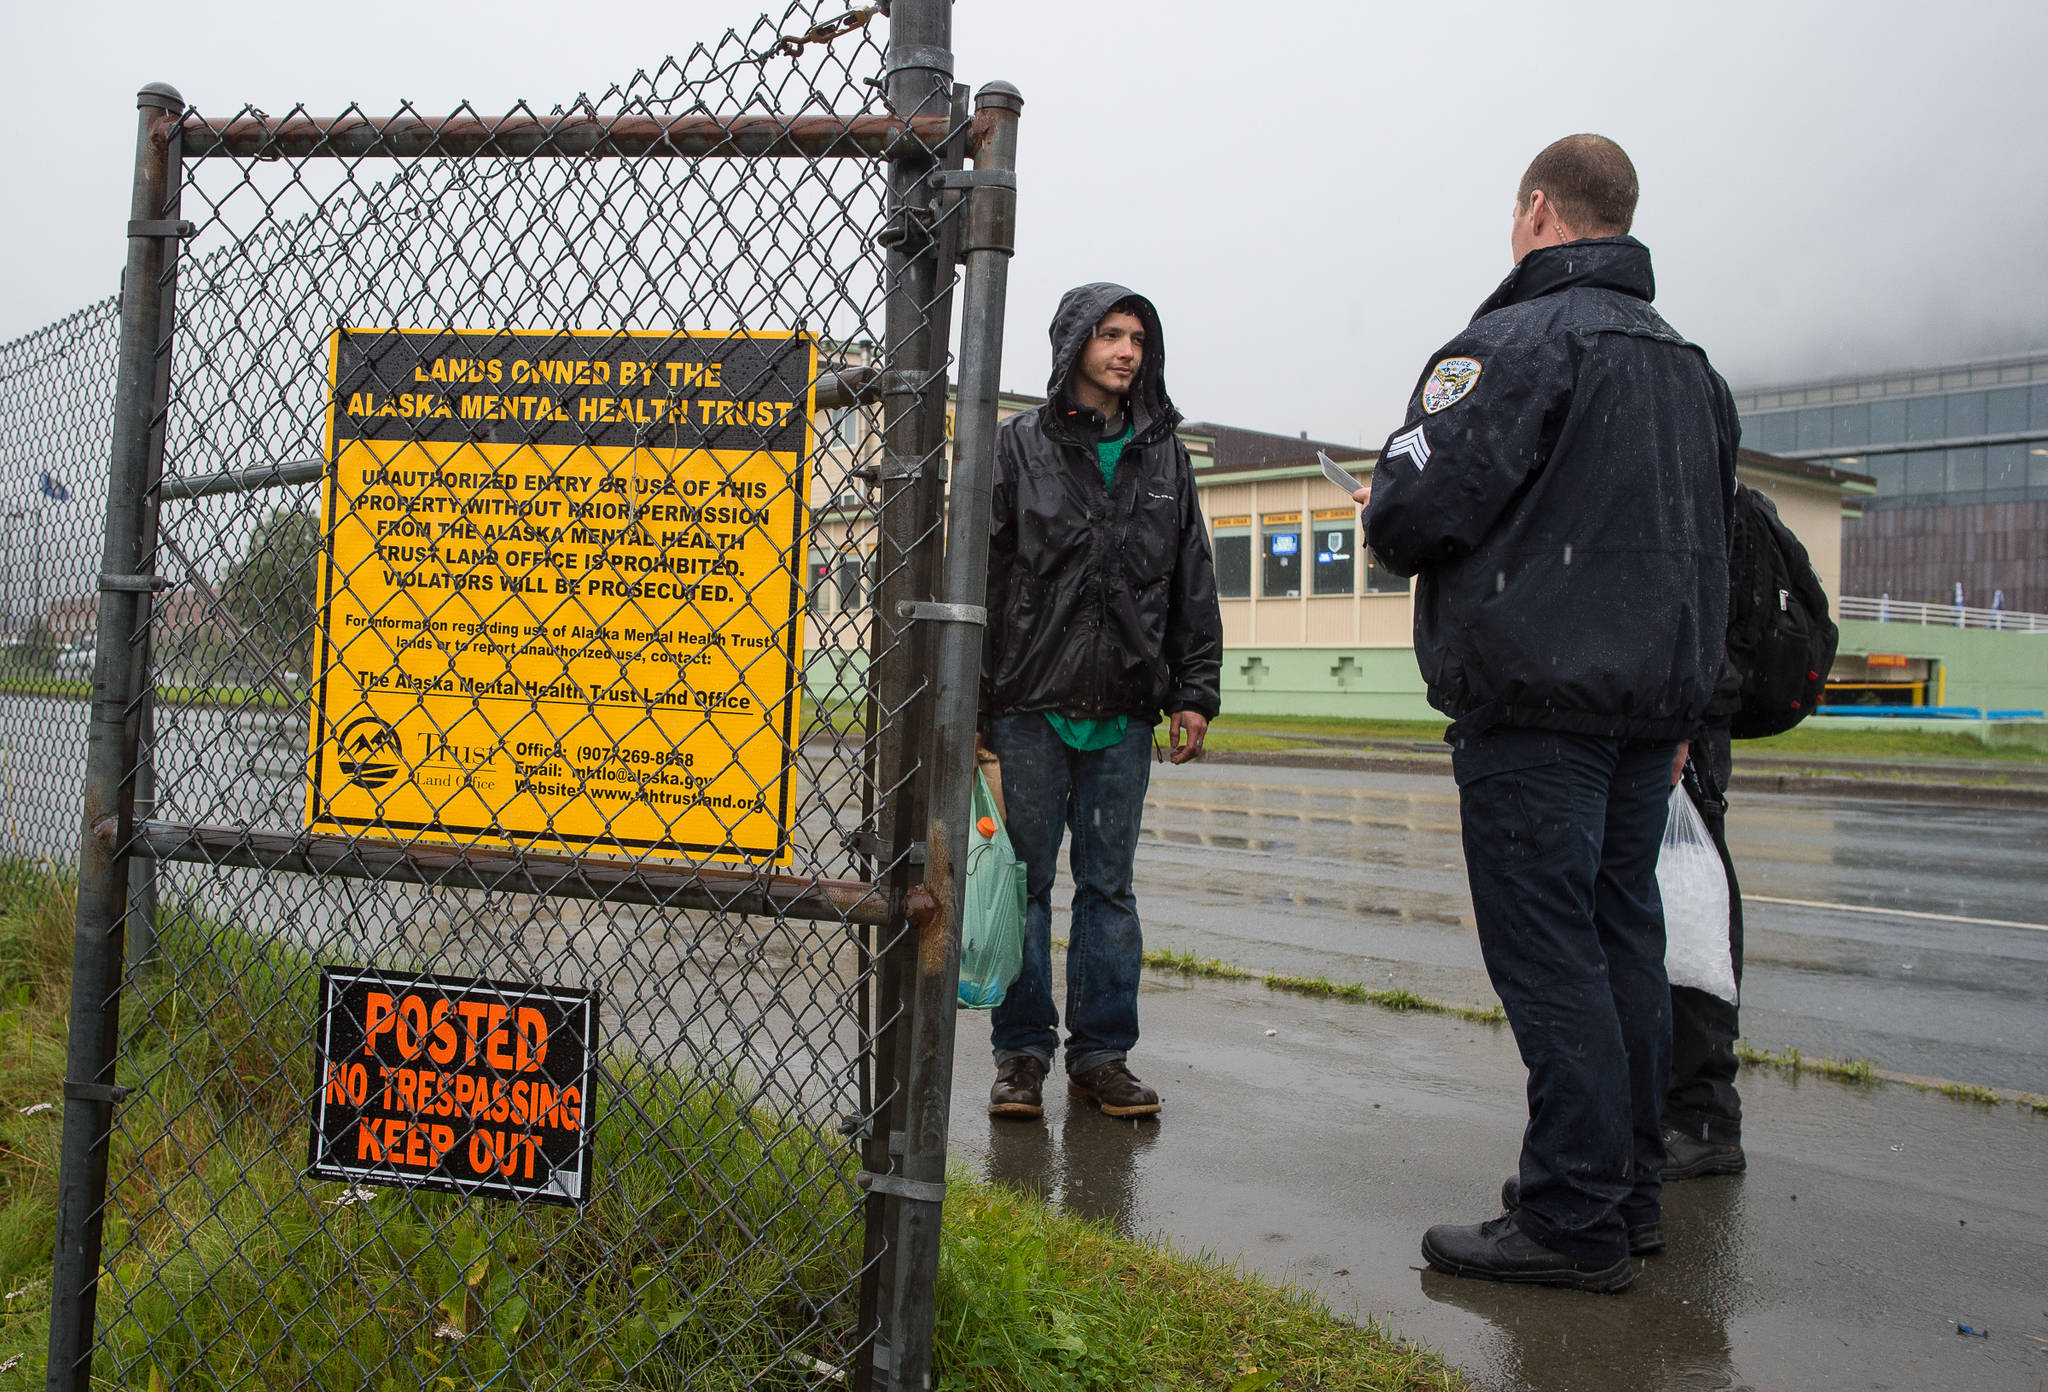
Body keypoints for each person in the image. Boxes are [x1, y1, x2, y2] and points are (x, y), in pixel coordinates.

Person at [1362, 136, 1738, 1291]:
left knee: (1549, 956)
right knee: (1622, 942)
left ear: (1536, 209)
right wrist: (1681, 700)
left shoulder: (1510, 346)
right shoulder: (1690, 368)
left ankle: (1571, 1216)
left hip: (1535, 708)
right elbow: (1715, 543)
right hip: (1648, 713)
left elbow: (1408, 513)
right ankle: (1622, 1198)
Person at [979, 283, 1222, 1121]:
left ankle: (1103, 1057)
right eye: (1112, 335)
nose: (1127, 351)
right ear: (1074, 342)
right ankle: (1020, 1058)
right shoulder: (1018, 449)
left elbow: (1192, 577)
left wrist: (1195, 692)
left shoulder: (1165, 457)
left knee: (1109, 889)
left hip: (1125, 709)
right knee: (1025, 883)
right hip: (1029, 705)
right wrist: (976, 712)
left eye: (1139, 338)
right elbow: (986, 577)